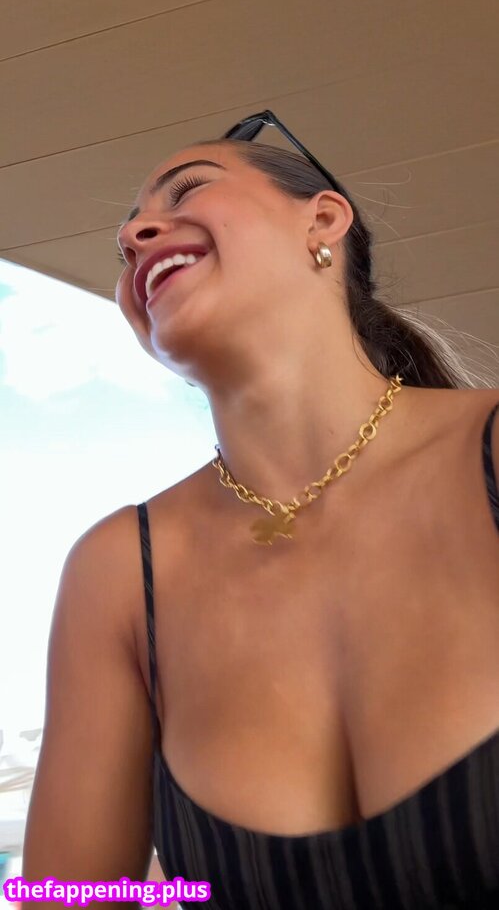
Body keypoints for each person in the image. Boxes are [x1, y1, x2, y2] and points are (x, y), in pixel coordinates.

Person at [23, 112, 499, 909]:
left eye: (187, 190)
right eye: (125, 243)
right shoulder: (119, 572)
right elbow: (69, 897)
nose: (135, 235)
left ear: (323, 220)